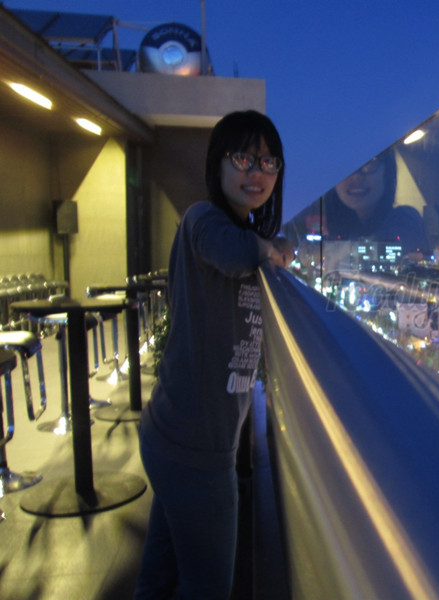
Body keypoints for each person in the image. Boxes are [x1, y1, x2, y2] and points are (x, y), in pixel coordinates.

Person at [134, 110, 293, 600]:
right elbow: (236, 254)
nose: (257, 171)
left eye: (268, 162)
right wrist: (272, 248)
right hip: (195, 449)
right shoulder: (203, 219)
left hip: (181, 438)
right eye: (244, 158)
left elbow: (254, 250)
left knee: (159, 580)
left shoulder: (242, 232)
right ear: (217, 164)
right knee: (207, 589)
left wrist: (275, 246)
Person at [283, 149, 430, 258]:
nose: (355, 176)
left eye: (369, 163)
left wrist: (325, 251)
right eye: (345, 167)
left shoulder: (406, 221)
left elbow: (381, 249)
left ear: (387, 171)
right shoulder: (345, 229)